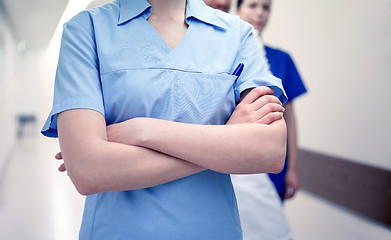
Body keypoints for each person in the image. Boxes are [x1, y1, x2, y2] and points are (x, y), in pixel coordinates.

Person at [41, 0, 288, 239]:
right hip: (119, 231)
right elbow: (87, 171)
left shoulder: (237, 34)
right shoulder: (86, 29)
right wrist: (225, 139)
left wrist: (142, 130)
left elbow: (271, 151)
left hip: (213, 230)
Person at [237, 0, 307, 202]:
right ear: (237, 9)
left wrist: (292, 169)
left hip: (272, 163)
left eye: (266, 7)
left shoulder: (281, 58)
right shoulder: (222, 56)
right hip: (233, 158)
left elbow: (290, 118)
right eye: (253, 5)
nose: (260, 13)